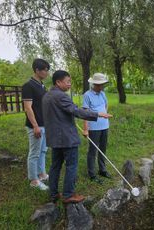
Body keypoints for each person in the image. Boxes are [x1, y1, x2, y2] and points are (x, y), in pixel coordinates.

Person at [42, 70, 112, 203]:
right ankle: (68, 195)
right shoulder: (61, 96)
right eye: (67, 81)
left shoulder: (47, 96)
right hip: (67, 138)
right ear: (58, 82)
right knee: (71, 165)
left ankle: (53, 194)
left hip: (54, 138)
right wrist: (98, 114)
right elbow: (76, 111)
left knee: (55, 166)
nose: (70, 84)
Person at [22, 58, 50, 190]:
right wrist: (35, 126)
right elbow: (28, 107)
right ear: (37, 70)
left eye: (47, 70)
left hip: (44, 123)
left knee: (43, 151)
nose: (47, 72)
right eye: (45, 70)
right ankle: (33, 180)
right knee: (34, 152)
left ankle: (42, 174)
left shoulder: (42, 85)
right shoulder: (28, 85)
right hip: (36, 125)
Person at [82, 73, 111, 184]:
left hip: (105, 126)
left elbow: (106, 105)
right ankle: (92, 174)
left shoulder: (103, 94)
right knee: (93, 151)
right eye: (100, 85)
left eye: (103, 84)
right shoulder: (87, 95)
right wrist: (86, 129)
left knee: (102, 149)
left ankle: (102, 170)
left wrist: (105, 114)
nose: (102, 87)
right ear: (94, 84)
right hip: (94, 128)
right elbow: (85, 113)